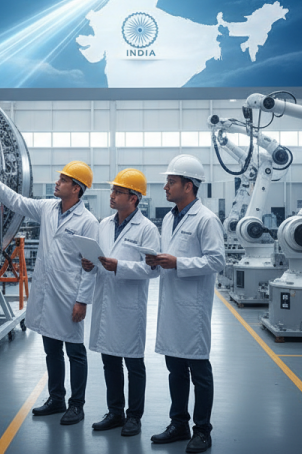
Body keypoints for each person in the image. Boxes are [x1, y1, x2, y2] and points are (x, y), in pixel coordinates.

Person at [0, 157, 98, 425]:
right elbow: (17, 201)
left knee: (75, 352)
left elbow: (91, 267)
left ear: (76, 188)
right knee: (51, 350)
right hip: (45, 294)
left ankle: (77, 405)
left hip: (69, 297)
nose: (58, 182)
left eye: (63, 180)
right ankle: (57, 399)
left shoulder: (88, 221)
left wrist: (82, 301)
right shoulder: (47, 208)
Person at [146, 155, 226, 452]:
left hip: (192, 309)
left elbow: (217, 260)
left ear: (188, 186)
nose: (165, 187)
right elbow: (169, 257)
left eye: (171, 182)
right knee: (175, 370)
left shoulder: (206, 219)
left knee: (199, 372)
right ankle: (178, 424)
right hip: (171, 307)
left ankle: (202, 430)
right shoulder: (169, 218)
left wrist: (177, 262)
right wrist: (157, 260)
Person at [81, 168, 160, 438]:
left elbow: (153, 270)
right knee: (109, 361)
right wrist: (89, 264)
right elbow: (100, 259)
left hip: (129, 305)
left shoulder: (147, 229)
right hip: (106, 302)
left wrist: (120, 267)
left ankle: (134, 417)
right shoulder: (104, 224)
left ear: (134, 197)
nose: (112, 196)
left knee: (134, 364)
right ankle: (115, 412)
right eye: (112, 191)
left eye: (118, 191)